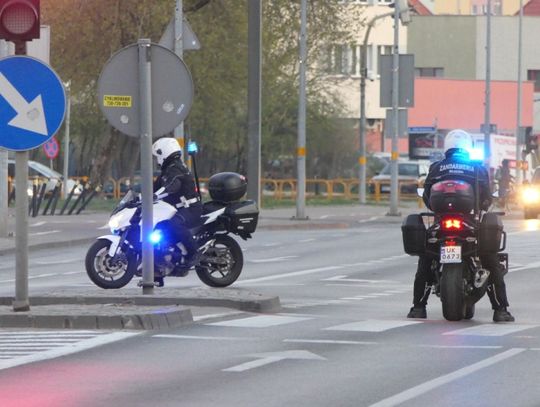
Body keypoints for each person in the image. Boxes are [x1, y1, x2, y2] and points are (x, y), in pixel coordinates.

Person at [407, 129, 514, 322]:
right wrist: (482, 206)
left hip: (442, 224)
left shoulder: (437, 167)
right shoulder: (477, 168)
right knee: (489, 260)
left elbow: (427, 196)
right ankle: (500, 310)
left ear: (447, 146)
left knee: (426, 260)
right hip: (468, 223)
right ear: (468, 147)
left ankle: (418, 308)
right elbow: (487, 198)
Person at [152, 137, 203, 284]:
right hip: (178, 208)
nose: (157, 160)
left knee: (174, 225)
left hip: (191, 208)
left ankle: (194, 252)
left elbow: (173, 185)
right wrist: (138, 196)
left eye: (157, 156)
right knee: (157, 230)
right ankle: (159, 271)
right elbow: (154, 188)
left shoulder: (177, 169)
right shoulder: (167, 170)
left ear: (164, 153)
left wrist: (158, 194)